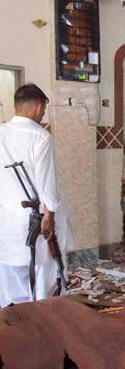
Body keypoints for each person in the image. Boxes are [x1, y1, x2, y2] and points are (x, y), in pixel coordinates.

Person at [0, 84, 72, 306]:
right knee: (42, 273)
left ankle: (11, 316)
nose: (42, 114)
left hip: (5, 217)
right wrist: (49, 214)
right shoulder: (40, 136)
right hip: (35, 218)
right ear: (38, 107)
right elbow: (46, 179)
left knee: (9, 272)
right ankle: (39, 316)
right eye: (43, 110)